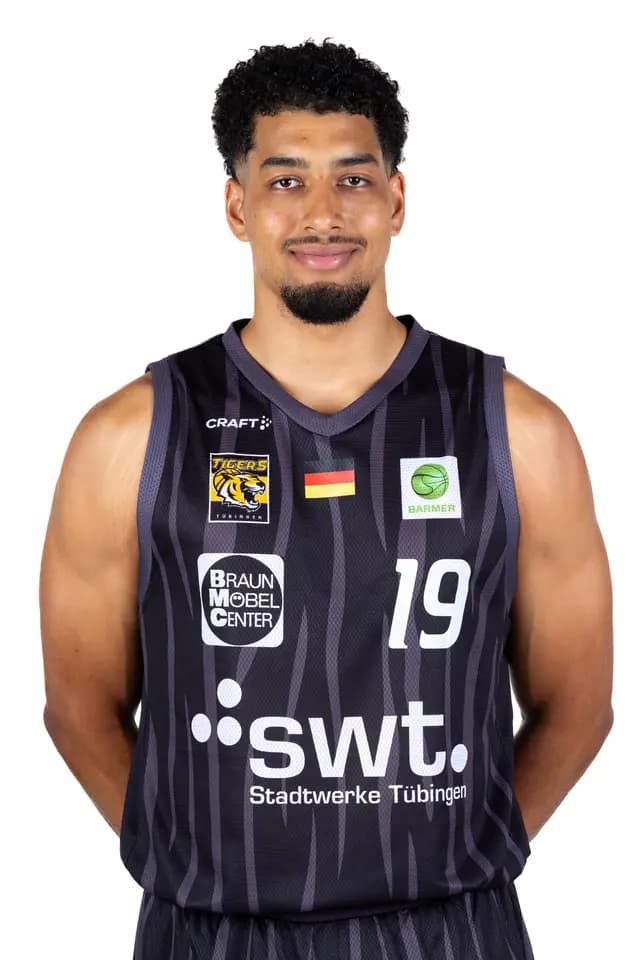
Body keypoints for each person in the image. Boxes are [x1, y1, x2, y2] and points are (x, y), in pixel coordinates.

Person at [39, 38, 614, 960]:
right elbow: (78, 709)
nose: (322, 214)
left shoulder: (518, 432)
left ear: (397, 200)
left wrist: (461, 859)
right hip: (211, 939)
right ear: (237, 206)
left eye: (353, 179)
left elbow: (578, 706)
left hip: (454, 934)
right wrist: (202, 869)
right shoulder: (129, 438)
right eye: (285, 181)